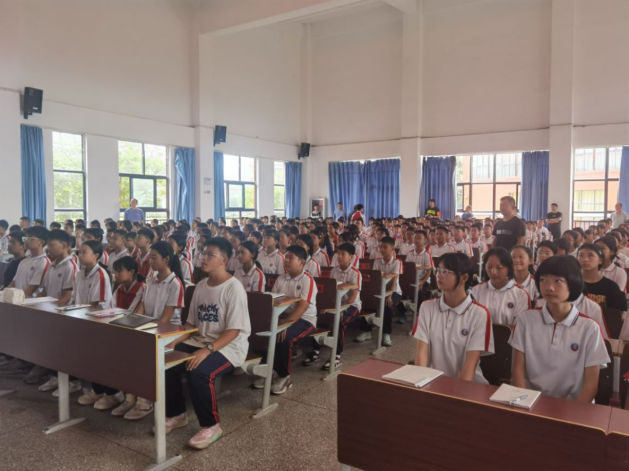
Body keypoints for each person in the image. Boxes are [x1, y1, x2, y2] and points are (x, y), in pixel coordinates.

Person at [163, 237, 251, 450]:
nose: (204, 258)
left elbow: (234, 330)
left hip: (229, 346)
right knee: (166, 360)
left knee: (199, 371)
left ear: (224, 260)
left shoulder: (234, 288)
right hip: (200, 340)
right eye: (203, 253)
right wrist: (174, 342)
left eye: (210, 255)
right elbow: (191, 323)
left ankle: (211, 425)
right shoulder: (201, 286)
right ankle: (177, 414)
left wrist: (207, 350)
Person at [510, 256, 610, 401]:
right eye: (543, 279)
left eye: (558, 281)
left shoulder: (589, 328)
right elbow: (518, 370)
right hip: (530, 402)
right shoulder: (525, 319)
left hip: (573, 406)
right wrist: (524, 403)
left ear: (573, 283)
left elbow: (590, 386)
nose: (549, 287)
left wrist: (573, 413)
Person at [125, 241, 185, 421]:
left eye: (154, 257)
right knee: (125, 348)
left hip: (169, 332)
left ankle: (145, 401)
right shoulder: (150, 281)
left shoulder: (175, 283)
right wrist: (133, 324)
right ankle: (130, 395)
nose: (150, 261)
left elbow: (166, 318)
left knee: (144, 353)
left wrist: (146, 331)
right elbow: (141, 308)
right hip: (150, 328)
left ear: (166, 259)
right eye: (149, 257)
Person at [413, 253, 494, 384]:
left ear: (464, 278)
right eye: (438, 270)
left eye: (445, 271)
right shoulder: (427, 307)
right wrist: (419, 383)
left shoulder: (479, 313)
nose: (438, 275)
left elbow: (469, 367)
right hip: (432, 382)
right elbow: (421, 355)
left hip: (467, 387)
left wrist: (455, 394)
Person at [253, 245, 317, 395]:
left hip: (305, 319)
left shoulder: (307, 280)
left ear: (301, 262)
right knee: (263, 331)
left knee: (284, 337)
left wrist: (285, 324)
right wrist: (277, 321)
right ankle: (269, 371)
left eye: (290, 258)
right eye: (286, 257)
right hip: (282, 316)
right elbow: (273, 301)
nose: (286, 261)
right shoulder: (281, 278)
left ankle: (284, 376)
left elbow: (303, 306)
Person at [302, 243, 362, 370]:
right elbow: (330, 293)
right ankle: (316, 351)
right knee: (321, 316)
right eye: (338, 254)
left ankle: (336, 356)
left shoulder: (355, 273)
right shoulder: (334, 271)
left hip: (352, 306)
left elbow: (353, 296)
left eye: (343, 254)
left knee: (339, 321)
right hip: (336, 304)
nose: (339, 256)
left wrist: (341, 309)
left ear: (351, 257)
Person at [356, 237, 402, 347]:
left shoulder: (397, 262)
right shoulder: (377, 261)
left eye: (385, 247)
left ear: (392, 249)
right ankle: (366, 331)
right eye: (381, 247)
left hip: (394, 292)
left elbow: (394, 280)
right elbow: (375, 278)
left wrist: (389, 295)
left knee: (386, 305)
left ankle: (386, 333)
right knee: (368, 301)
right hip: (379, 290)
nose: (382, 249)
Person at [471, 248, 531, 325]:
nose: (493, 272)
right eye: (489, 267)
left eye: (499, 268)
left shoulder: (521, 295)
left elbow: (521, 326)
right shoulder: (476, 290)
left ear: (509, 268)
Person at [577, 243, 627, 311]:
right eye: (581, 255)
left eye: (590, 255)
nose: (585, 259)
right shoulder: (571, 284)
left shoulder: (611, 287)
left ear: (600, 260)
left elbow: (617, 314)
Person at [6, 226, 50, 297]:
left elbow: (30, 290)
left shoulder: (43, 262)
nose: (25, 241)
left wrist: (18, 299)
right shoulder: (24, 261)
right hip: (18, 299)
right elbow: (13, 283)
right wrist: (5, 295)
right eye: (25, 238)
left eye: (30, 238)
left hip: (30, 301)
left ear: (41, 242)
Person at [38, 230, 76, 305]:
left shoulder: (69, 266)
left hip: (60, 309)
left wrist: (48, 307)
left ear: (64, 245)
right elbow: (44, 292)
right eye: (48, 245)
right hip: (48, 307)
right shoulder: (52, 265)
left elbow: (66, 298)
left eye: (51, 245)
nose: (48, 248)